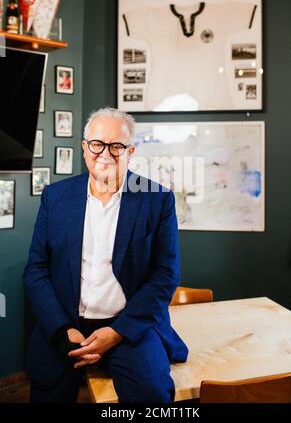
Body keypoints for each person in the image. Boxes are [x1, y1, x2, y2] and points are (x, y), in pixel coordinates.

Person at [24, 107, 188, 403]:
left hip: (128, 325)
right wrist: (63, 330)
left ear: (131, 151)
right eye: (97, 144)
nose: (105, 154)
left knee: (152, 394)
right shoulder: (55, 197)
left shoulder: (157, 200)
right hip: (65, 324)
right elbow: (36, 270)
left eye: (117, 146)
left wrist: (117, 332)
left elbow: (165, 275)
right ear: (85, 148)